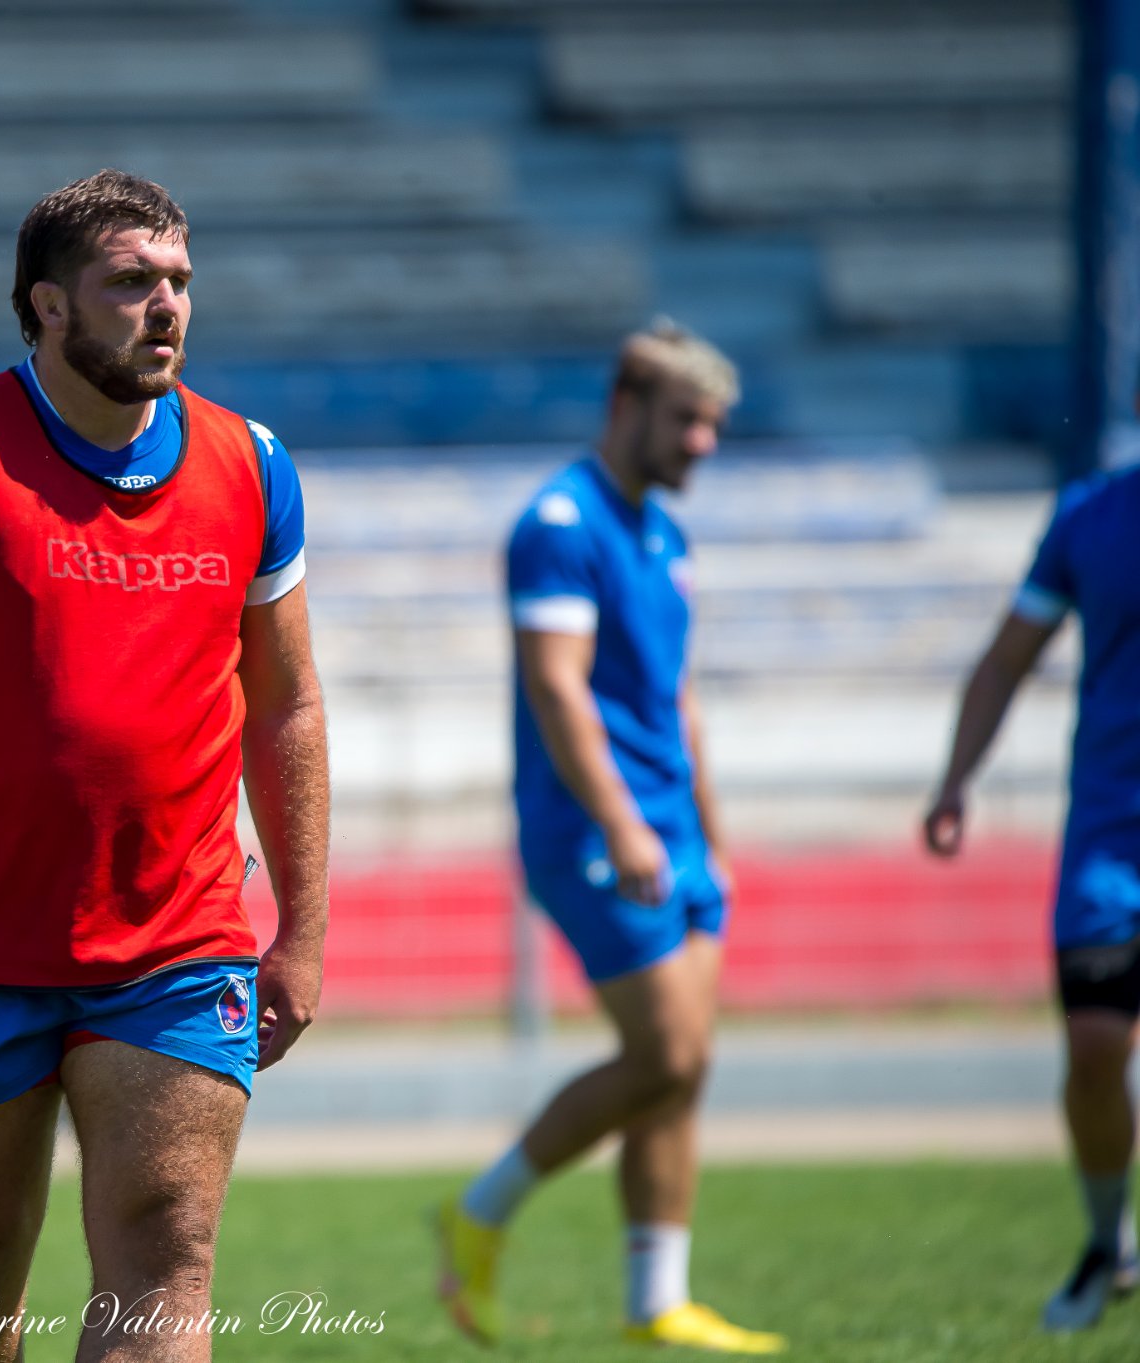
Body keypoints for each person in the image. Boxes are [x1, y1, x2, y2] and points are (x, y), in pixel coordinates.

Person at [0, 169, 330, 1363]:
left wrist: (298, 922)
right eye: (129, 283)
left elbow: (288, 704)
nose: (166, 308)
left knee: (166, 1254)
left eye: (179, 282)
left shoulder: (249, 465)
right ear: (46, 305)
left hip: (175, 935)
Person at [434, 322, 784, 1354]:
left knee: (683, 1065)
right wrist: (623, 822)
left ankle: (654, 1301)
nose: (704, 444)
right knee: (664, 1049)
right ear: (624, 407)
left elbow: (672, 702)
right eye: (686, 419)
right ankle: (477, 1212)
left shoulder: (660, 533)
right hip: (593, 831)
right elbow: (556, 686)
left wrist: (707, 836)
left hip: (672, 835)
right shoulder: (557, 522)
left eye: (714, 424)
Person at [923, 451, 1140, 1333]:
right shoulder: (1090, 516)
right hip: (1111, 835)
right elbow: (1008, 657)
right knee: (1093, 1047)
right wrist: (954, 780)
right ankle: (1106, 1242)